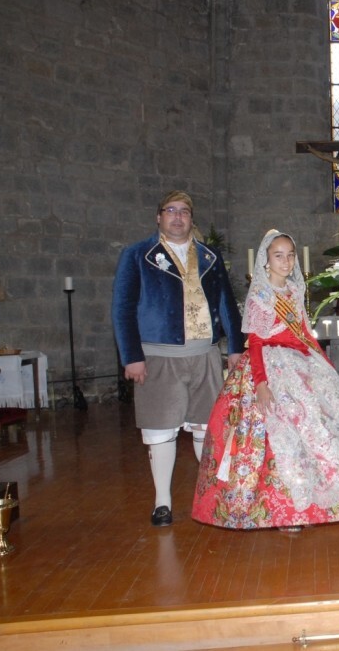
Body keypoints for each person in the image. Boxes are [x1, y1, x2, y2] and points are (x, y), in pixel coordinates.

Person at [191, 230, 339, 530]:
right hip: (269, 366)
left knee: (316, 426)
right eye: (278, 255)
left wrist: (324, 364)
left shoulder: (294, 291)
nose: (285, 260)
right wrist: (262, 383)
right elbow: (254, 342)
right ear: (266, 260)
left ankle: (321, 501)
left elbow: (305, 334)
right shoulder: (261, 294)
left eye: (290, 255)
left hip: (302, 362)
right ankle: (284, 508)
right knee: (283, 433)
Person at [112, 190, 244, 527]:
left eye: (184, 211)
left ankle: (211, 497)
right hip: (158, 357)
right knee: (161, 431)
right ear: (159, 217)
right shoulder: (138, 255)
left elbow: (227, 305)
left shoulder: (210, 257)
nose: (177, 217)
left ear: (191, 218)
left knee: (206, 429)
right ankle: (163, 502)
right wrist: (131, 356)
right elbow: (122, 308)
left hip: (204, 356)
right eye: (170, 210)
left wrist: (234, 349)